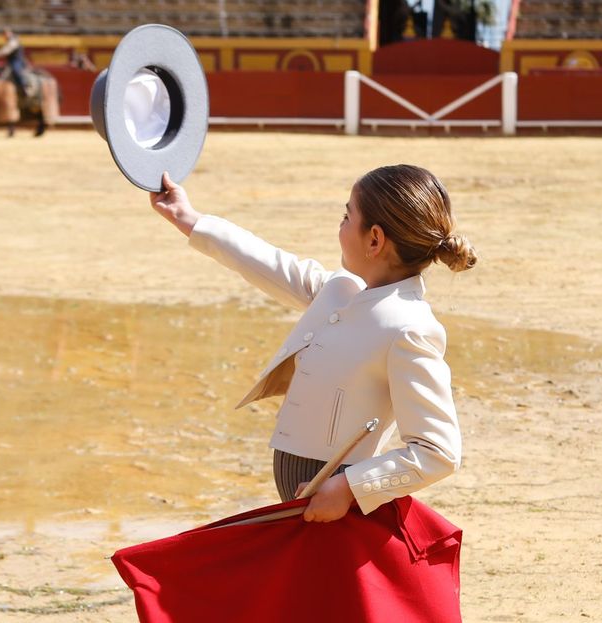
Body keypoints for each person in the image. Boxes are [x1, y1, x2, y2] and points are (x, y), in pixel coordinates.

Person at [148, 164, 476, 522]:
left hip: (343, 518)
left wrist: (350, 488)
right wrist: (189, 219)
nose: (341, 225)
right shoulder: (341, 290)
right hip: (308, 510)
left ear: (374, 240)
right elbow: (270, 263)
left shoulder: (409, 329)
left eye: (346, 216)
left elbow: (438, 452)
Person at [0, 28, 31, 99]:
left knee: (15, 70)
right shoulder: (10, 41)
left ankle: (25, 87)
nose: (5, 35)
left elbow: (6, 50)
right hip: (11, 61)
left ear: (11, 33)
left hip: (16, 61)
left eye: (6, 33)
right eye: (4, 34)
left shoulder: (14, 41)